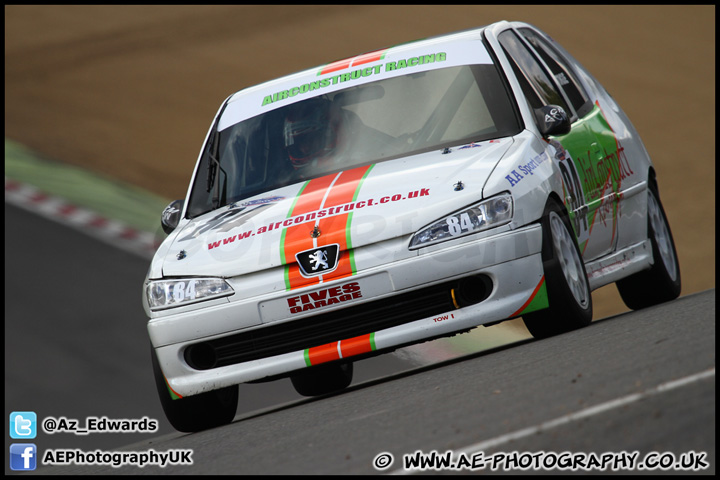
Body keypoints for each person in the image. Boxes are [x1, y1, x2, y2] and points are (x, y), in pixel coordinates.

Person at [282, 97, 344, 173]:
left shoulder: (357, 160)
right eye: (299, 142)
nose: (303, 148)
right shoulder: (285, 180)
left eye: (310, 140)